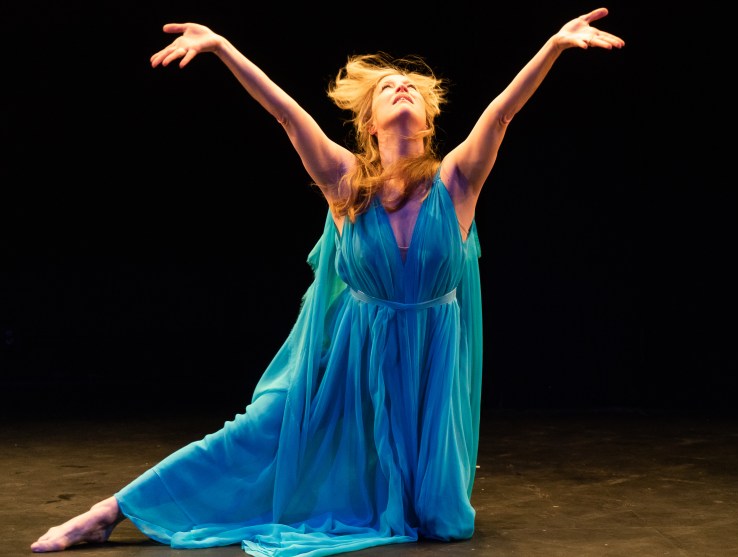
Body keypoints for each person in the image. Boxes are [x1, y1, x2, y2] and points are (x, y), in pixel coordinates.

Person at [31, 7, 624, 556]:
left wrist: (552, 47)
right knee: (262, 430)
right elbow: (288, 115)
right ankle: (111, 509)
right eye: (389, 86)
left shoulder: (457, 183)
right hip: (350, 356)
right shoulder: (347, 185)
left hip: (430, 361)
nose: (402, 87)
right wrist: (222, 47)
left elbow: (502, 112)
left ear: (430, 118)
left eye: (413, 86)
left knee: (440, 520)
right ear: (368, 124)